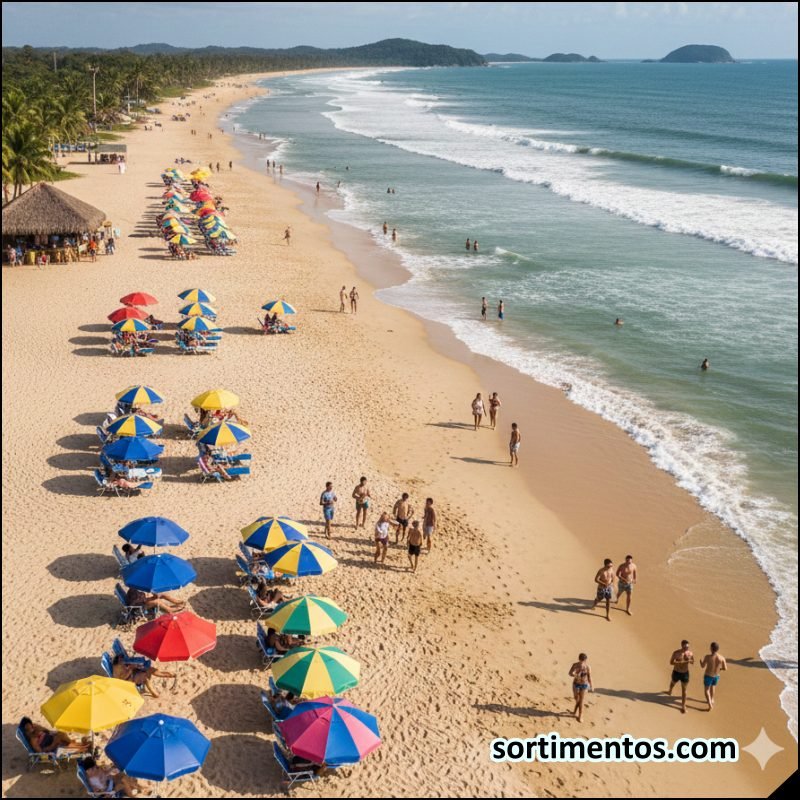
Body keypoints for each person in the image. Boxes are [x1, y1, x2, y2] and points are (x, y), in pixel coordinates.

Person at [20, 718, 90, 754]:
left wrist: (53, 734)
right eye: (28, 729)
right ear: (26, 731)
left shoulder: (37, 729)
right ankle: (84, 748)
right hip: (53, 749)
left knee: (61, 734)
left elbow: (48, 731)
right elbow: (41, 752)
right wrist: (53, 745)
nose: (31, 728)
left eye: (31, 726)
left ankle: (83, 746)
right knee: (61, 745)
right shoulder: (33, 740)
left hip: (55, 740)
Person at [669, 640, 695, 713]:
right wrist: (679, 662)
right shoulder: (676, 653)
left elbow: (693, 662)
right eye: (685, 647)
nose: (687, 648)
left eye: (688, 647)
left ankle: (683, 705)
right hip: (676, 672)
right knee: (673, 683)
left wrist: (689, 660)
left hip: (685, 673)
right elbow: (671, 662)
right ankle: (670, 690)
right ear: (682, 646)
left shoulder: (690, 653)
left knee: (684, 690)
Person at [700, 642, 727, 711]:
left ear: (711, 648)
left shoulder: (707, 657)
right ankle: (711, 699)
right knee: (713, 687)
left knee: (706, 690)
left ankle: (710, 705)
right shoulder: (721, 658)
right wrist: (719, 669)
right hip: (716, 676)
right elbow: (725, 668)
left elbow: (702, 666)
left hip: (708, 675)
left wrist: (700, 662)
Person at [568, 654, 593, 722]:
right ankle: (574, 711)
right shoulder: (575, 665)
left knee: (581, 701)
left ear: (585, 660)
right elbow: (570, 673)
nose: (582, 662)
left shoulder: (588, 667)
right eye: (581, 660)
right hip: (576, 684)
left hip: (584, 684)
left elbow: (589, 677)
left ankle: (580, 715)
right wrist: (575, 675)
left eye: (583, 660)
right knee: (576, 698)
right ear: (579, 659)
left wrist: (591, 686)